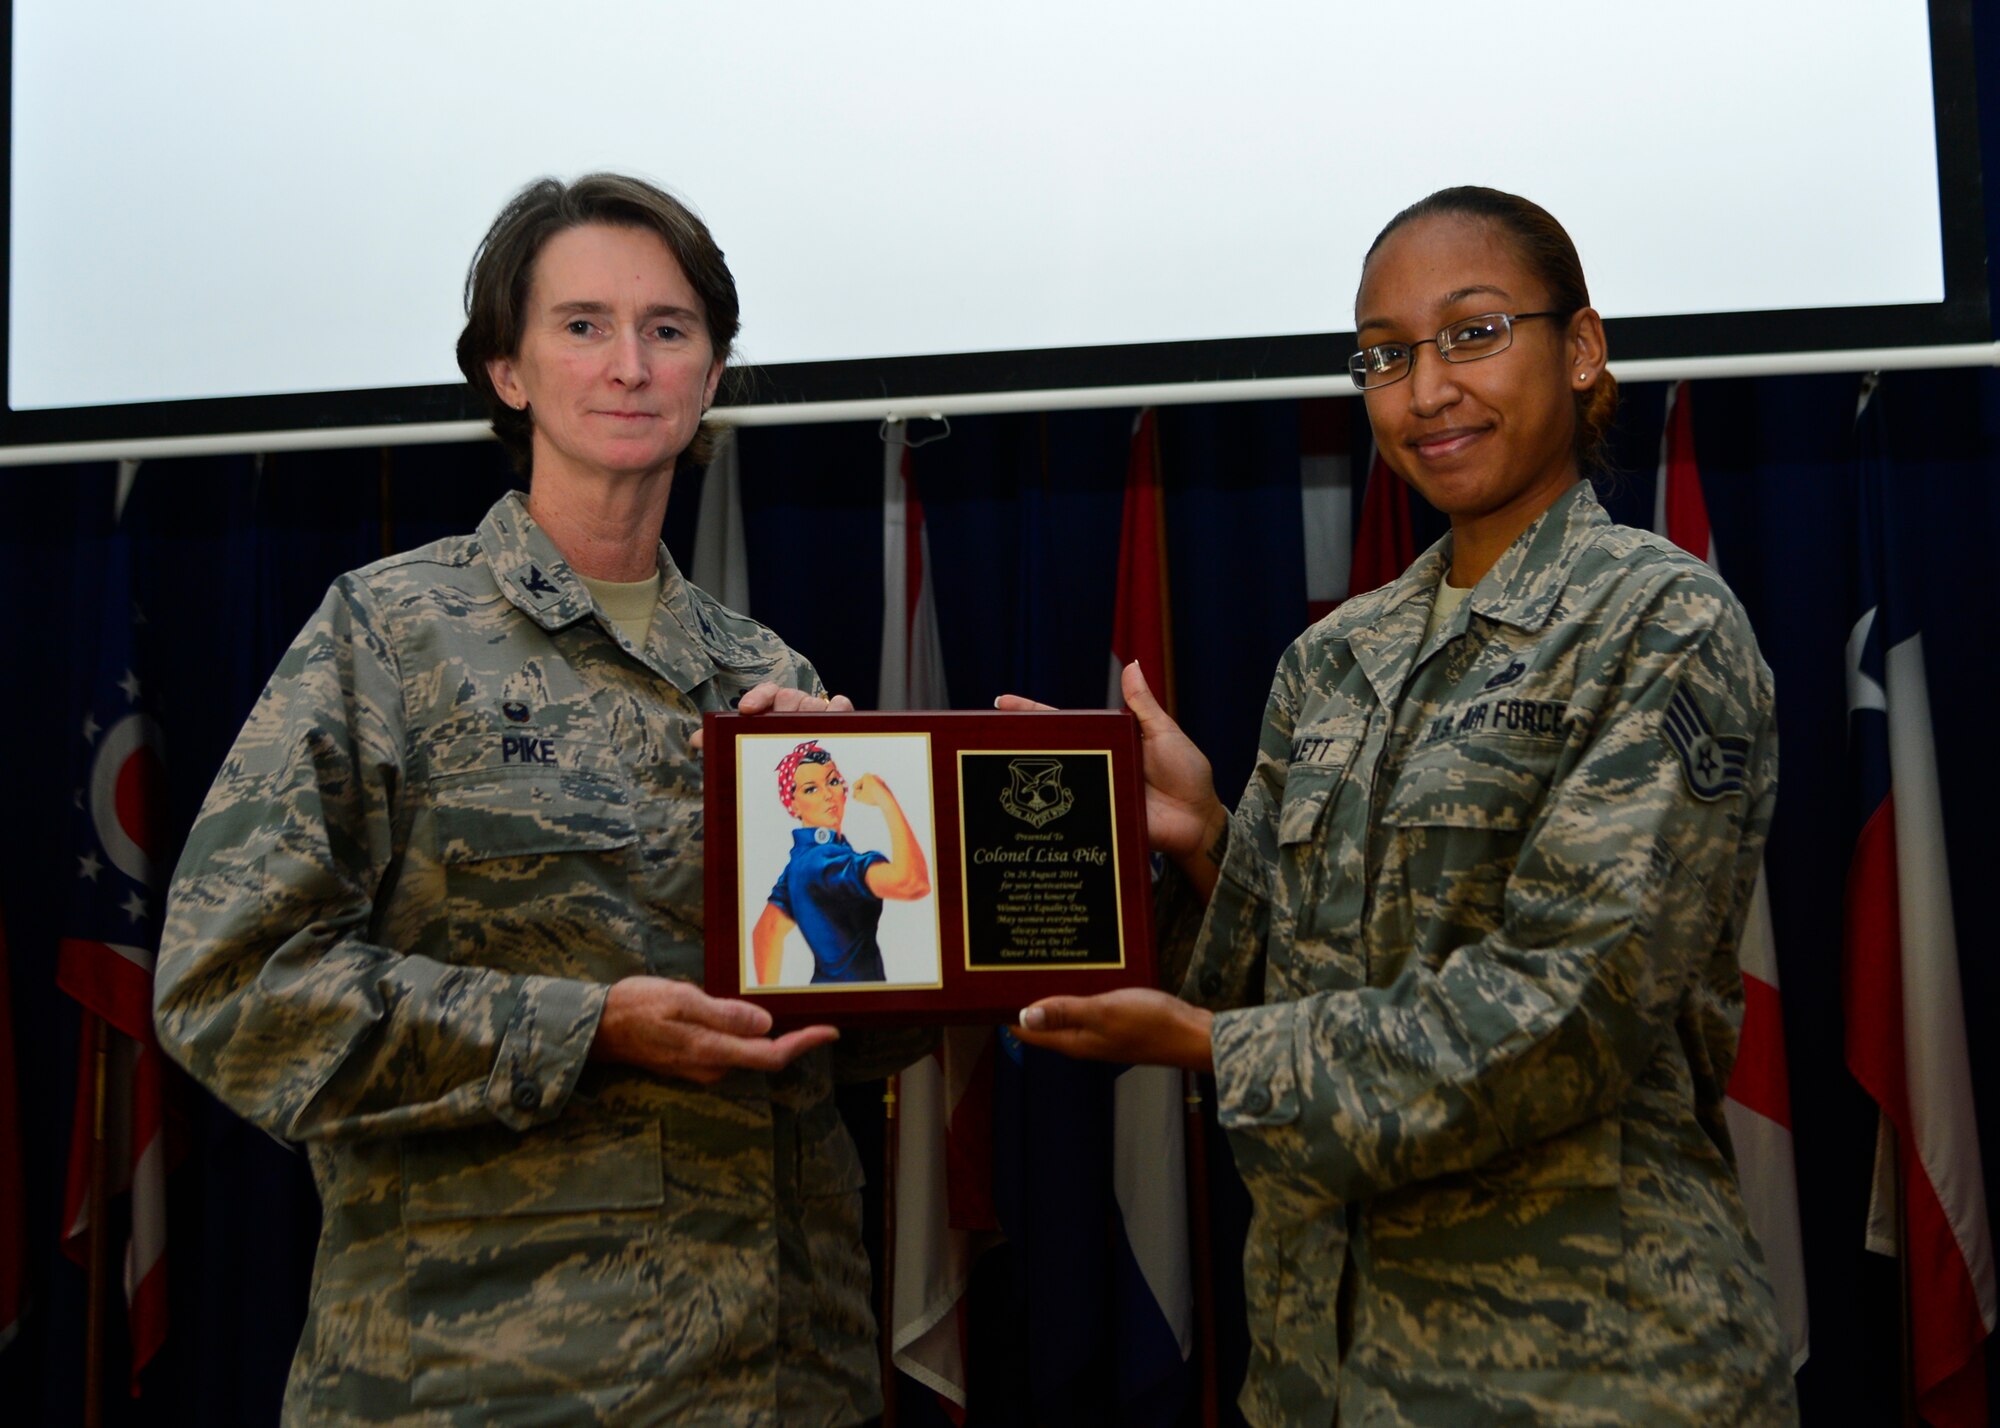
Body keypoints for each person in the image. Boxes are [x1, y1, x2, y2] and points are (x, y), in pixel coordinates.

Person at [1008, 187, 1799, 1425]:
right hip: (1320, 1366)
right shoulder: (1336, 655)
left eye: (1471, 334)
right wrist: (1200, 841)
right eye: (1383, 354)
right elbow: (1266, 984)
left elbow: (1570, 1014)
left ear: (1581, 348)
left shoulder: (1659, 622)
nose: (1424, 389)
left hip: (1585, 1373)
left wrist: (1212, 1051)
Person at [154, 173, 925, 1427]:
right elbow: (230, 991)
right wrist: (584, 1028)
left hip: (786, 1373)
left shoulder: (771, 681)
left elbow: (857, 1029)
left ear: (711, 375)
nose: (628, 365)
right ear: (507, 372)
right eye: (582, 326)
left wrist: (892, 837)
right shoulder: (390, 633)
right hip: (485, 1379)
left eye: (667, 331)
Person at [752, 741, 931, 986]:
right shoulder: (823, 862)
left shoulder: (803, 860)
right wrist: (885, 799)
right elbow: (912, 883)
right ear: (792, 804)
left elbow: (768, 930)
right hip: (858, 1006)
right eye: (810, 789)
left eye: (833, 781)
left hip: (833, 998)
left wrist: (769, 1006)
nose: (827, 794)